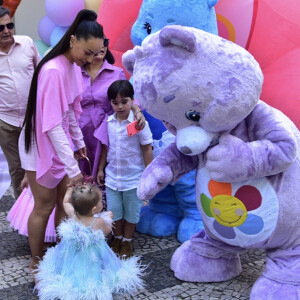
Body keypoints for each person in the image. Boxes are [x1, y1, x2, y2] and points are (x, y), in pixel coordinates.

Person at [21, 9, 105, 279]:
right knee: (44, 206)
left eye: (95, 54)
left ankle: (58, 255)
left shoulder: (69, 67)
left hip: (60, 143)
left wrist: (78, 144)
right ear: (72, 40)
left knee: (61, 202)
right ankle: (36, 262)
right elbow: (51, 124)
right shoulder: (54, 69)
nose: (90, 59)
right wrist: (72, 166)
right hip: (41, 145)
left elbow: (69, 111)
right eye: (87, 52)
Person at [36, 183, 145, 300]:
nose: (102, 203)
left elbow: (65, 203)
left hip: (73, 252)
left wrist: (68, 191)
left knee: (71, 267)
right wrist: (108, 219)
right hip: (93, 254)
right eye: (100, 202)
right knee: (95, 269)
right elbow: (106, 232)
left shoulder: (73, 214)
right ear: (94, 209)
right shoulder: (98, 221)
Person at [97, 80, 153, 258]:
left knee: (131, 213)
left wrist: (148, 174)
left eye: (124, 102)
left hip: (133, 178)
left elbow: (147, 148)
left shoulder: (139, 123)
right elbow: (105, 148)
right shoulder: (108, 122)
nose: (120, 106)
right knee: (115, 212)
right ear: (110, 103)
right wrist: (100, 169)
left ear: (133, 100)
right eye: (115, 103)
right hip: (112, 177)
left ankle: (127, 241)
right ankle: (117, 238)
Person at [79, 33, 145, 176]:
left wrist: (137, 111)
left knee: (106, 173)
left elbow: (128, 97)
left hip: (108, 131)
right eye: (97, 42)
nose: (102, 46)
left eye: (105, 42)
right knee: (82, 173)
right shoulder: (75, 72)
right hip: (80, 131)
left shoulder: (116, 73)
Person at [0, 6, 40, 198]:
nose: (6, 31)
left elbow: (41, 75)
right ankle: (22, 213)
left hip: (32, 118)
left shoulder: (27, 43)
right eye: (1, 28)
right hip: (5, 121)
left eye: (10, 25)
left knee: (37, 165)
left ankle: (42, 208)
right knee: (16, 169)